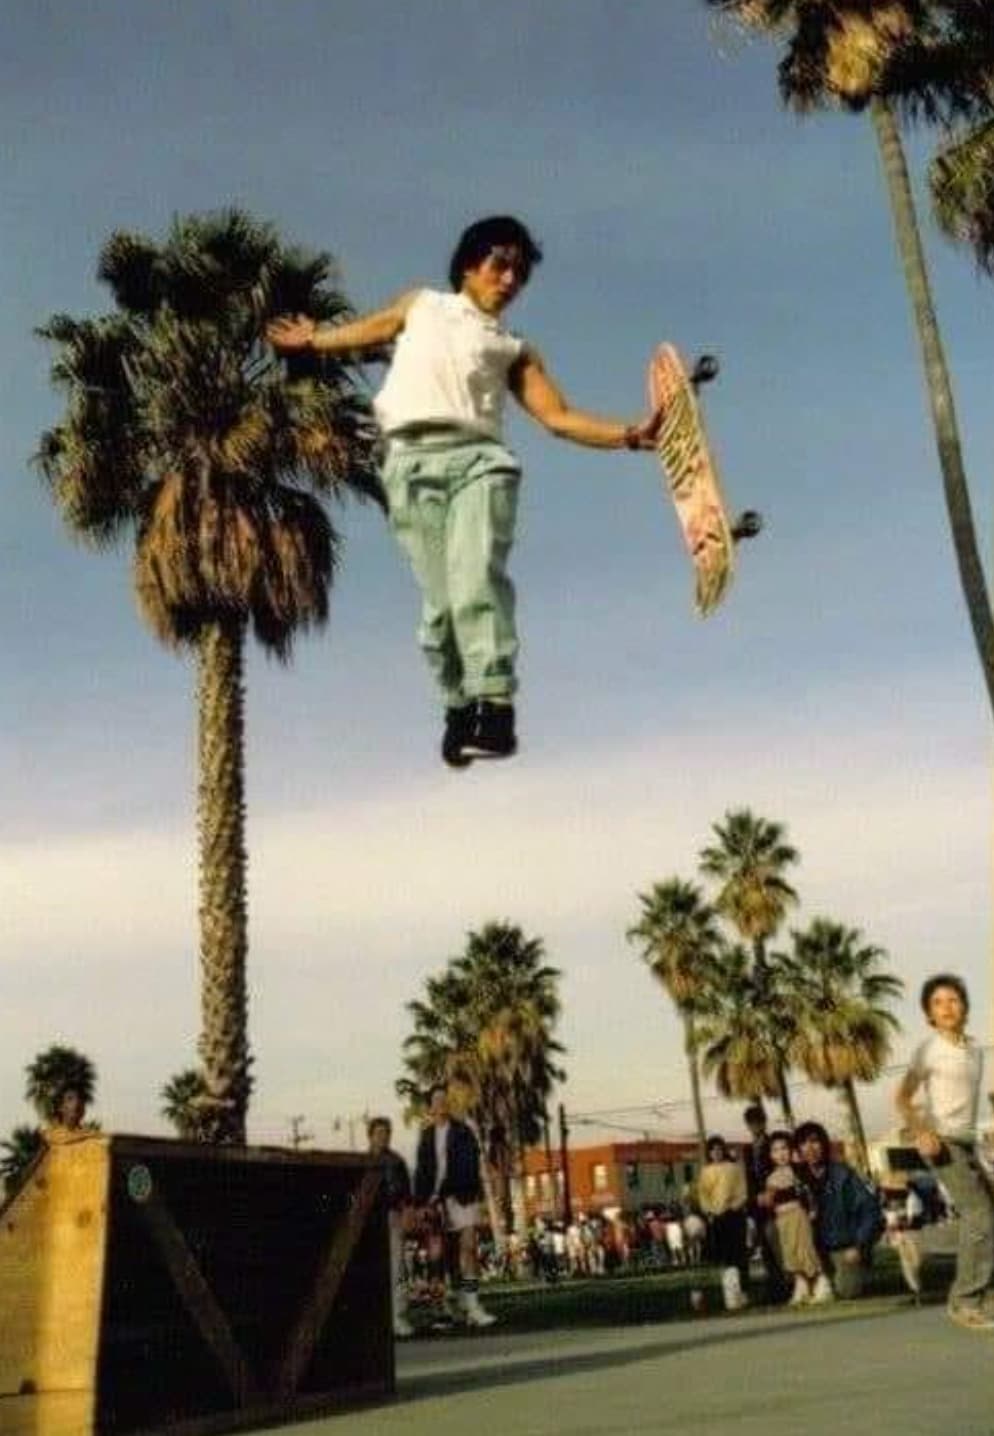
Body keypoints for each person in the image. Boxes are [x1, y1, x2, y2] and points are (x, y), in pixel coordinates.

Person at [267, 215, 665, 767]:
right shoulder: (423, 305)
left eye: (520, 274)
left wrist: (628, 434)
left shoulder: (513, 347)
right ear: (470, 264)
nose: (509, 280)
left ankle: (495, 706)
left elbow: (559, 417)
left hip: (479, 462)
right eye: (501, 265)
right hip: (408, 464)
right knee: (440, 610)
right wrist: (313, 340)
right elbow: (375, 327)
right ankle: (459, 706)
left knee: (476, 579)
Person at [895, 973, 994, 1331]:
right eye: (937, 1003)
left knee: (986, 1216)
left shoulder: (974, 1051)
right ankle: (965, 1300)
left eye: (953, 1000)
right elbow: (902, 1097)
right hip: (941, 1142)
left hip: (966, 1141)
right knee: (979, 1214)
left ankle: (920, 1244)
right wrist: (922, 1132)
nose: (947, 1008)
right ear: (929, 1015)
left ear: (965, 1006)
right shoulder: (929, 1049)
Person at [413, 1083, 496, 1327]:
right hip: (434, 1204)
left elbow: (470, 1166)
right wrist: (422, 1203)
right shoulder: (426, 1136)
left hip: (462, 1198)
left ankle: (473, 1305)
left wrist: (452, 1192)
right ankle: (442, 1310)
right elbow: (422, 1173)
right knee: (438, 1258)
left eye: (444, 1099)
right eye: (436, 1100)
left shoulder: (463, 1132)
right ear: (430, 1107)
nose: (441, 1104)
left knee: (468, 1250)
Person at [794, 1121, 883, 1301]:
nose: (809, 1148)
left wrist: (858, 1245)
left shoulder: (843, 1174)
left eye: (814, 1141)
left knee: (846, 1291)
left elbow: (870, 1210)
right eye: (803, 1144)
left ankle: (853, 1271)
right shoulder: (796, 1179)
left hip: (844, 1247)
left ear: (824, 1144)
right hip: (813, 1251)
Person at [761, 1130, 826, 1306]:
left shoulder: (799, 1173)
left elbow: (809, 1194)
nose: (781, 1153)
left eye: (784, 1148)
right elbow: (768, 1201)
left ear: (791, 1150)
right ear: (770, 1154)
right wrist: (764, 1199)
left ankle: (820, 1284)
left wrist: (812, 1209)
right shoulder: (771, 1177)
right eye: (775, 1150)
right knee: (790, 1253)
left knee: (805, 1249)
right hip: (782, 1219)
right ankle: (801, 1285)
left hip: (798, 1216)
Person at [367, 1116, 414, 1339]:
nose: (382, 1137)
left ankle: (399, 1318)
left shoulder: (397, 1162)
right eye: (378, 1133)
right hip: (369, 1221)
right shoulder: (362, 1162)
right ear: (370, 1136)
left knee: (397, 1269)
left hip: (393, 1216)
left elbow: (406, 1195)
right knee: (372, 1269)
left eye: (386, 1133)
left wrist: (406, 1216)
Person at [742, 1103, 789, 1303]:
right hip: (756, 1205)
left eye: (758, 1122)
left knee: (778, 1243)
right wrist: (751, 1201)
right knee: (765, 1247)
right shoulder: (746, 1150)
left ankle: (789, 1282)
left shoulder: (773, 1145)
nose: (755, 1126)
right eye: (751, 1123)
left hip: (775, 1200)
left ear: (764, 1122)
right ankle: (775, 1286)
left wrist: (771, 1193)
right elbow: (748, 1179)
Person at [697, 1135, 750, 1310]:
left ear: (724, 1150)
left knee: (739, 1255)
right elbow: (703, 1195)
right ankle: (728, 1293)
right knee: (723, 1256)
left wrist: (734, 1206)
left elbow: (743, 1191)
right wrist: (709, 1212)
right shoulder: (706, 1172)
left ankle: (743, 1292)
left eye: (719, 1149)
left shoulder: (734, 1168)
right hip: (716, 1217)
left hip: (734, 1216)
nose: (716, 1152)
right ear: (709, 1153)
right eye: (713, 1150)